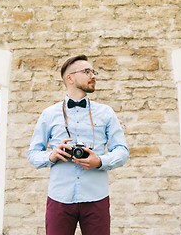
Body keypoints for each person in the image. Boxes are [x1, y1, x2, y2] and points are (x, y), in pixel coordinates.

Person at [27, 55, 129, 235]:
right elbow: (33, 154)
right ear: (70, 78)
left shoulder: (106, 113)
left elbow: (122, 151)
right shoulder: (49, 114)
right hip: (59, 199)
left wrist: (99, 162)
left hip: (97, 198)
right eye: (87, 71)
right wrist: (52, 155)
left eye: (93, 71)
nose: (93, 76)